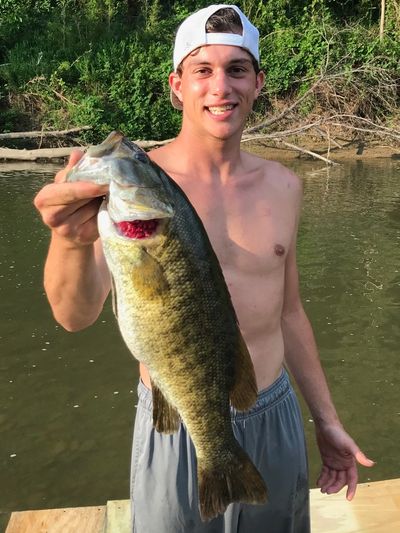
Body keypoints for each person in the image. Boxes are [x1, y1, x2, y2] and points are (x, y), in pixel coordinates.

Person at [34, 4, 374, 532]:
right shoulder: (129, 192)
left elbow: (289, 313)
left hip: (273, 409)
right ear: (177, 85)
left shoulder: (284, 186)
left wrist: (327, 422)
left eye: (237, 69)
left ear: (258, 83)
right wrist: (68, 241)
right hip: (177, 416)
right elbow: (73, 316)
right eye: (203, 70)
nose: (222, 87)